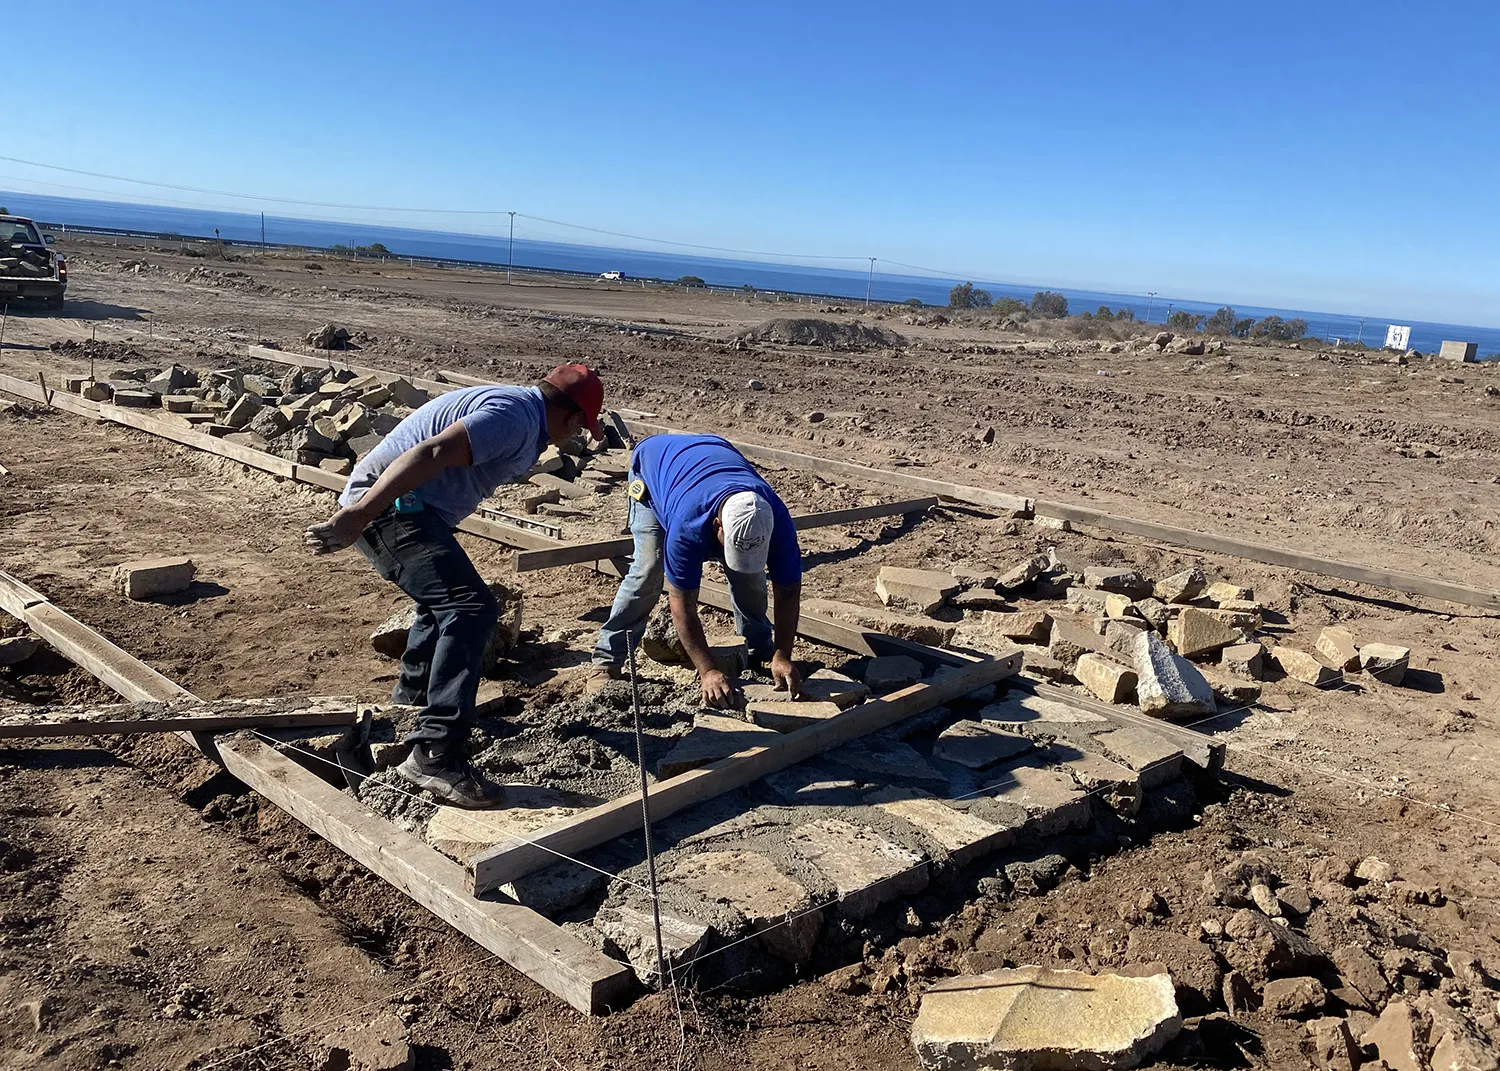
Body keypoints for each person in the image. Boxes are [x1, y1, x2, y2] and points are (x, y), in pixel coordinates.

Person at [305, 364, 605, 807]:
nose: (574, 438)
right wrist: (362, 512)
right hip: (392, 507)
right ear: (575, 417)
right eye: (582, 427)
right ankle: (435, 753)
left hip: (408, 510)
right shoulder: (513, 418)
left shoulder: (521, 414)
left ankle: (407, 714)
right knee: (470, 607)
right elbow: (429, 454)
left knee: (441, 606)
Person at [588, 433, 803, 707]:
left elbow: (788, 592)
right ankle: (607, 660)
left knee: (749, 577)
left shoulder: (775, 521)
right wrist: (708, 671)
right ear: (717, 527)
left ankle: (760, 651)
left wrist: (783, 654)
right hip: (655, 469)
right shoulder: (687, 527)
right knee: (649, 570)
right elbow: (682, 605)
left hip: (711, 453)